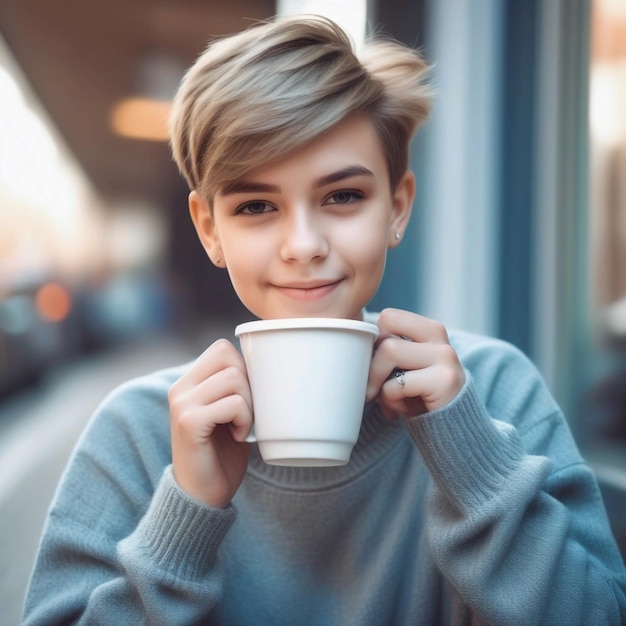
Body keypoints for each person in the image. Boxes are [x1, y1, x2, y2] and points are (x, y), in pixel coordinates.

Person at [23, 14, 626, 625]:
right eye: (256, 206)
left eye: (342, 196)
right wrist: (187, 512)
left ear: (397, 207)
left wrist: (471, 460)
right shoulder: (137, 432)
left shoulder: (492, 390)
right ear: (210, 230)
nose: (304, 244)